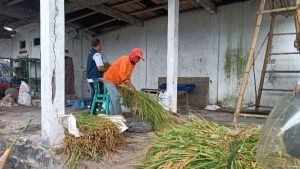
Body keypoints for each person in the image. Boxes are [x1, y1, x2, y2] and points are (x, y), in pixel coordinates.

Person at [103, 48, 144, 115]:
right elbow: (122, 74)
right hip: (109, 79)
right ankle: (119, 116)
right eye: (138, 58)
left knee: (114, 99)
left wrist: (131, 86)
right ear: (133, 56)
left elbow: (127, 77)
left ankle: (113, 117)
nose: (138, 60)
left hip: (116, 82)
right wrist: (130, 86)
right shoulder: (125, 59)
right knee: (116, 97)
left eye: (139, 59)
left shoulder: (132, 65)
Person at [86, 38, 107, 113]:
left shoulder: (90, 52)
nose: (101, 46)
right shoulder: (97, 54)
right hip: (95, 78)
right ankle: (93, 110)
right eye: (100, 44)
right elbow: (100, 68)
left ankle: (93, 109)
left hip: (90, 77)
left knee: (96, 93)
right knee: (98, 93)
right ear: (98, 44)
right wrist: (108, 69)